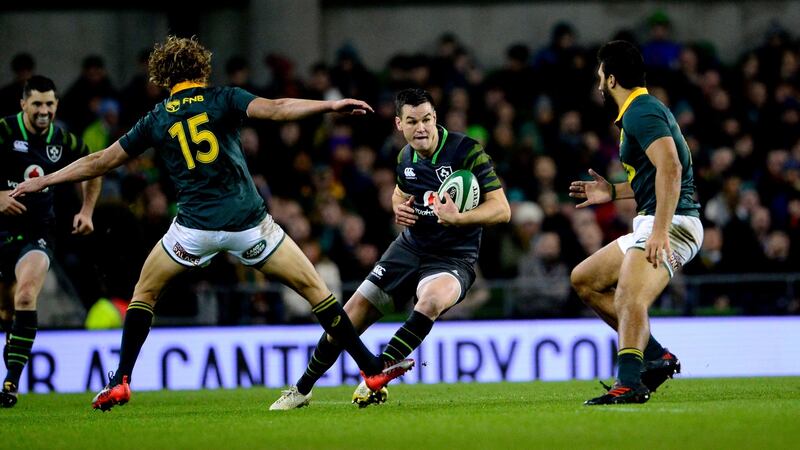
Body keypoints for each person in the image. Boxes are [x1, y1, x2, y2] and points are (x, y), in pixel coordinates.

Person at [11, 36, 412, 411]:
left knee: (144, 293)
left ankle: (120, 380)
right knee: (317, 292)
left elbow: (101, 160)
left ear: (163, 75)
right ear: (201, 68)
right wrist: (328, 106)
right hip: (248, 225)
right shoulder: (223, 98)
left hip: (193, 231)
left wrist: (44, 180)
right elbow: (276, 108)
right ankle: (370, 367)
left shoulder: (156, 118)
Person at [269, 88, 510, 410]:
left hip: (454, 256)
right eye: (412, 121)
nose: (421, 128)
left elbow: (502, 210)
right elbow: (399, 193)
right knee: (348, 317)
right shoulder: (405, 158)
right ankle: (302, 389)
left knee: (432, 300)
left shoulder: (466, 150)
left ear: (435, 118)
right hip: (408, 248)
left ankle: (377, 372)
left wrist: (460, 218)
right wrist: (398, 207)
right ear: (399, 124)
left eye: (426, 119)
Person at [568, 41, 703, 405]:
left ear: (611, 79)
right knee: (585, 280)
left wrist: (659, 231)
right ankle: (656, 356)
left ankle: (629, 383)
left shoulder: (640, 112)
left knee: (629, 295)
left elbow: (671, 168)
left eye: (600, 75)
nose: (599, 83)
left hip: (673, 222)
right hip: (655, 219)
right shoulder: (641, 110)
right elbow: (655, 174)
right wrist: (612, 191)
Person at [0, 75, 101, 407]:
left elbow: (94, 166)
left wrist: (87, 210)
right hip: (1, 231)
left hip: (38, 232)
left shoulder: (63, 140)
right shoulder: (4, 130)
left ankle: (11, 383)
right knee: (6, 308)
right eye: (37, 104)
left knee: (26, 294)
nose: (44, 111)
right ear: (23, 104)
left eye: (49, 104)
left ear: (56, 105)